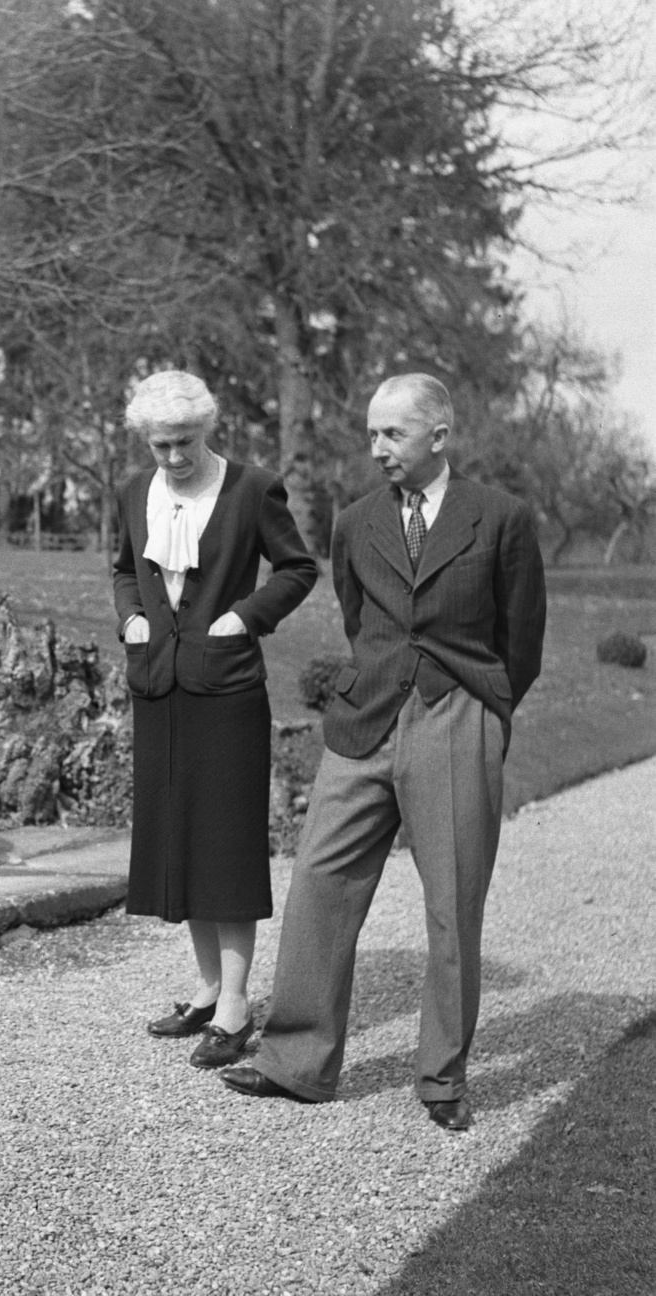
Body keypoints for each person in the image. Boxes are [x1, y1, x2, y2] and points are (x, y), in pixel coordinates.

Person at [221, 373, 547, 1130]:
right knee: (319, 879)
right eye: (371, 434)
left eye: (392, 435)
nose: (377, 450)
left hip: (458, 712)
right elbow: (362, 618)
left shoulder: (501, 519)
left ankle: (441, 1080)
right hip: (365, 718)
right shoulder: (356, 519)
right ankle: (297, 1062)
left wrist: (488, 712)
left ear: (439, 436)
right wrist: (377, 684)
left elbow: (520, 638)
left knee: (452, 902)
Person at [114, 370, 318, 1069]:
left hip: (228, 688)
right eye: (161, 444)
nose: (173, 458)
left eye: (186, 443)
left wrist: (243, 616)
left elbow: (297, 568)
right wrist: (132, 618)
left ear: (208, 432)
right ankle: (206, 991)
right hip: (159, 688)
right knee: (179, 839)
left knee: (226, 846)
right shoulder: (132, 492)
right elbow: (121, 570)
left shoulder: (251, 489)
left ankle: (235, 1005)